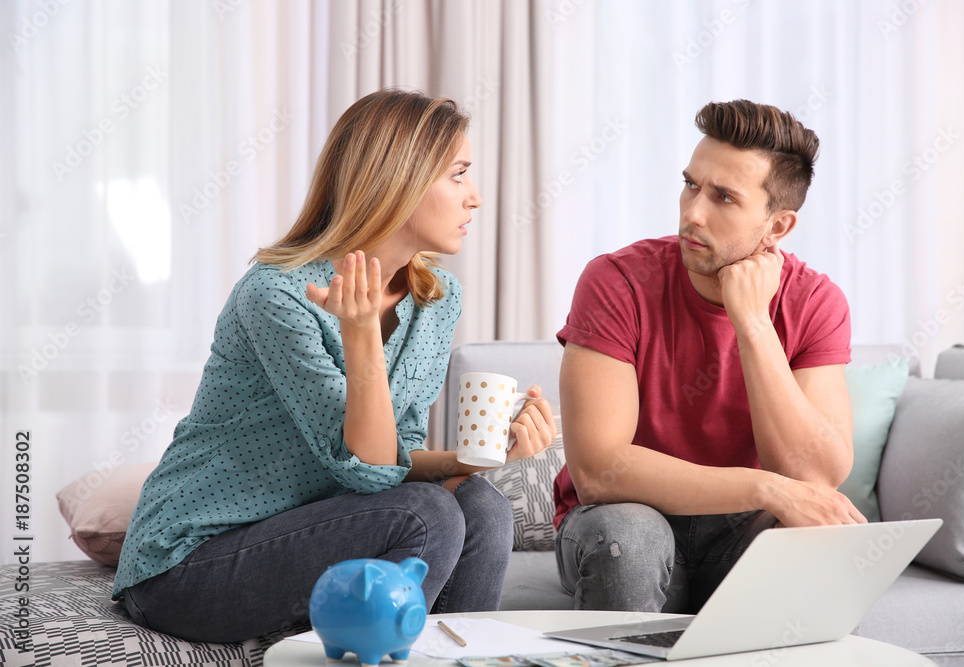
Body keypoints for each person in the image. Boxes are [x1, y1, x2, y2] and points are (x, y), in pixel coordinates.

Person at [112, 89, 557, 642]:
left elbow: (395, 453)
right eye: (459, 175)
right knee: (427, 513)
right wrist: (361, 331)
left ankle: (456, 654)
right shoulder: (277, 294)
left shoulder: (436, 298)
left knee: (482, 506)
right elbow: (368, 470)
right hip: (189, 563)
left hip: (311, 533)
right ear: (398, 180)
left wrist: (475, 458)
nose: (476, 198)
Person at [553, 99, 866, 614]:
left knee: (817, 540)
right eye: (691, 185)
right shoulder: (616, 281)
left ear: (777, 227)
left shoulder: (815, 301)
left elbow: (816, 475)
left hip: (741, 531)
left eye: (723, 197)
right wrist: (765, 488)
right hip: (622, 518)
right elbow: (599, 470)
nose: (692, 213)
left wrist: (753, 322)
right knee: (630, 538)